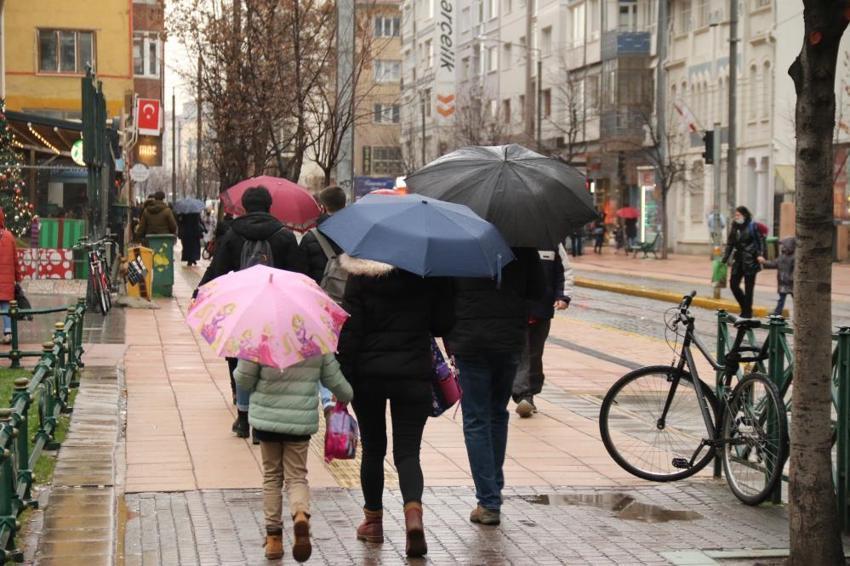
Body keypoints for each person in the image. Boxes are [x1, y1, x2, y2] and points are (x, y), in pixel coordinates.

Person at [336, 255, 454, 558]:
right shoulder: (425, 273)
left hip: (368, 377)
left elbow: (350, 333)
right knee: (408, 452)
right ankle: (413, 515)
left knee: (374, 449)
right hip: (413, 374)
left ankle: (373, 522)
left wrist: (342, 381)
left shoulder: (360, 275)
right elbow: (442, 324)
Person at [197, 186, 307, 440]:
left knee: (240, 359)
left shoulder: (234, 234)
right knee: (269, 361)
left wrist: (200, 292)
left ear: (245, 206)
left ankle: (243, 418)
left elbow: (218, 269)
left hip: (242, 307)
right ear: (270, 206)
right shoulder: (284, 235)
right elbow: (298, 273)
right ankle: (262, 424)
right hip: (276, 309)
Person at [447, 248, 543, 526]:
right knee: (497, 414)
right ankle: (492, 492)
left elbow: (444, 294)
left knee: (476, 419)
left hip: (470, 341)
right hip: (509, 339)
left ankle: (488, 500)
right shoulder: (523, 244)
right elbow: (537, 290)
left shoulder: (459, 245)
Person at [234, 353, 353, 562]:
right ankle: (300, 514)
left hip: (266, 419)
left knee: (272, 477)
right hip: (300, 421)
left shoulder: (261, 337)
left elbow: (243, 379)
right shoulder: (315, 338)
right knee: (297, 476)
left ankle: (273, 540)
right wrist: (346, 395)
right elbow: (337, 382)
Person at [299, 185, 348, 419]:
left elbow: (300, 276)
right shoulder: (358, 233)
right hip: (350, 305)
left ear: (323, 206)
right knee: (345, 353)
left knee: (322, 353)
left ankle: (328, 398)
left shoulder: (311, 238)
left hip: (319, 306)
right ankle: (343, 397)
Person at [513, 245, 573, 417]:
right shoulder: (511, 241)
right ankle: (524, 395)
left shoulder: (552, 242)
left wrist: (563, 296)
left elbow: (564, 272)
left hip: (542, 310)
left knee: (535, 353)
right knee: (522, 353)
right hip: (516, 310)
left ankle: (530, 391)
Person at [722, 206, 765, 319]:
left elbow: (760, 241)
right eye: (735, 215)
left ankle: (747, 313)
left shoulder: (752, 226)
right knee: (733, 285)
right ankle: (745, 308)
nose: (736, 217)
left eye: (738, 215)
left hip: (750, 261)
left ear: (744, 215)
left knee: (749, 289)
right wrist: (725, 259)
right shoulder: (734, 227)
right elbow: (730, 244)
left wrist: (760, 255)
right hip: (738, 261)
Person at [759, 237, 795, 317]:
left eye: (784, 245)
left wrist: (792, 278)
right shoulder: (781, 257)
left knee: (796, 299)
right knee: (781, 299)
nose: (782, 247)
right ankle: (777, 312)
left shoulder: (794, 257)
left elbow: (796, 270)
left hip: (791, 282)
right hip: (783, 282)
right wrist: (764, 262)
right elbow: (774, 263)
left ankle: (799, 313)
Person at [0, 209, 21, 344]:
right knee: (6, 306)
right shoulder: (9, 236)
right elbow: (15, 260)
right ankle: (8, 332)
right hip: (7, 281)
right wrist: (18, 278)